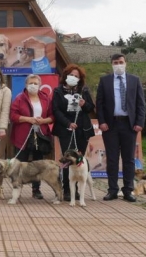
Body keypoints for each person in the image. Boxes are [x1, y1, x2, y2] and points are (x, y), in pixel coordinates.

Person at [96, 53, 146, 202]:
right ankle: (112, 189)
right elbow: (100, 103)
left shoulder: (134, 80)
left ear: (126, 63)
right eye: (115, 62)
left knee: (129, 159)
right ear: (112, 64)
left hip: (129, 124)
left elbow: (140, 104)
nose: (118, 64)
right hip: (110, 125)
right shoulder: (104, 81)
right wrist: (102, 121)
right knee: (111, 159)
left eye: (121, 62)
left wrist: (139, 122)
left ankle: (128, 190)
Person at [52, 64, 95, 202]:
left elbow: (90, 108)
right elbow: (56, 110)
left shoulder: (84, 90)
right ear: (65, 76)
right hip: (66, 129)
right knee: (67, 160)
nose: (73, 78)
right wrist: (68, 123)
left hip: (82, 130)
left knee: (79, 160)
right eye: (71, 75)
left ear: (80, 79)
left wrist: (84, 104)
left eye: (76, 76)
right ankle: (67, 190)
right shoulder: (58, 91)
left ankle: (78, 190)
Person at [9, 74, 54, 199]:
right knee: (20, 163)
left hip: (40, 135)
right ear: (26, 85)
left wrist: (43, 121)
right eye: (30, 83)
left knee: (37, 164)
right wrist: (28, 119)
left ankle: (36, 189)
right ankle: (17, 189)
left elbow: (52, 116)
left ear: (40, 85)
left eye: (35, 83)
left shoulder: (46, 99)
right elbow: (13, 116)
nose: (33, 85)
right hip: (23, 136)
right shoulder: (19, 98)